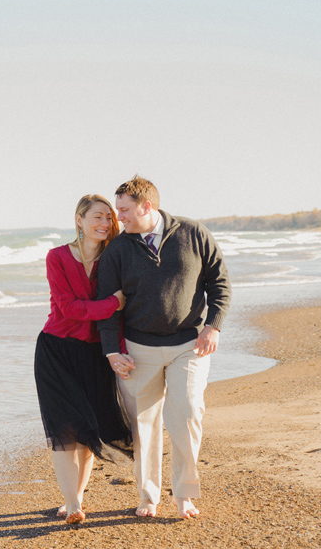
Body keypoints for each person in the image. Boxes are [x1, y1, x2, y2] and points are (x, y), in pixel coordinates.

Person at [95, 177, 231, 521]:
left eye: (124, 210)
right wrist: (112, 351)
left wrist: (213, 325)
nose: (118, 217)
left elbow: (220, 283)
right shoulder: (118, 250)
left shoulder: (193, 233)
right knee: (144, 423)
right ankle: (148, 495)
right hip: (138, 347)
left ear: (147, 206)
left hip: (190, 343)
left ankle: (184, 493)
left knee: (186, 412)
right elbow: (107, 305)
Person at [33, 199, 133, 524]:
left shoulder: (112, 259)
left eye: (108, 217)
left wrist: (118, 346)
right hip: (56, 351)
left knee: (88, 433)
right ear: (79, 219)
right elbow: (68, 308)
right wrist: (111, 304)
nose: (104, 222)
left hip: (94, 354)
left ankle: (74, 500)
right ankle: (72, 504)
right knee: (64, 431)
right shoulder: (57, 257)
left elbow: (117, 314)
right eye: (97, 216)